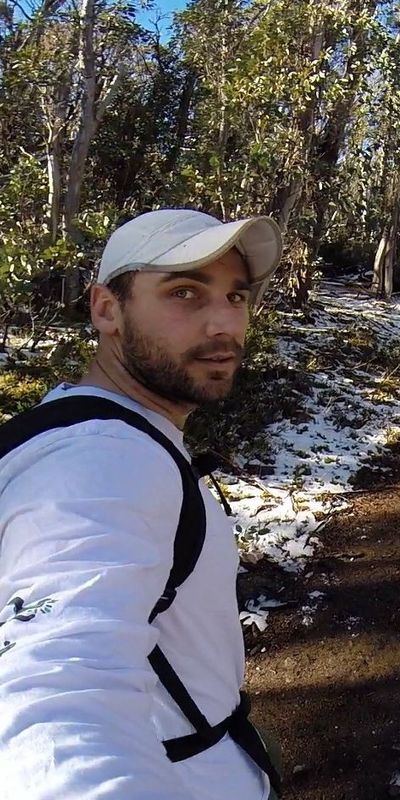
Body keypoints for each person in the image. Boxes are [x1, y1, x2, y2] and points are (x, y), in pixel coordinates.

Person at [0, 209, 283, 800]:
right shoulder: (104, 461)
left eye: (236, 296)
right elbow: (56, 688)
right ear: (107, 309)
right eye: (185, 292)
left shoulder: (92, 427)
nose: (223, 322)